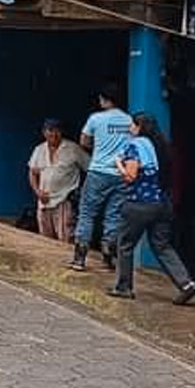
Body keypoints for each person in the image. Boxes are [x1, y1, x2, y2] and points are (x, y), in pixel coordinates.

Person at [107, 112, 195, 304]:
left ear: (139, 127)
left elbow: (130, 176)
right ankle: (186, 283)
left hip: (139, 203)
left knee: (124, 245)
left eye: (132, 125)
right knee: (162, 245)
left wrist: (118, 163)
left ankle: (123, 287)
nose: (129, 128)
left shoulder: (134, 146)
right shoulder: (158, 146)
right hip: (161, 203)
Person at [69, 82, 133, 272]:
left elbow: (84, 141)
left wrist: (100, 147)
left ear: (105, 100)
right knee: (113, 214)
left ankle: (80, 258)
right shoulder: (129, 120)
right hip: (120, 174)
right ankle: (108, 257)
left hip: (98, 172)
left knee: (87, 213)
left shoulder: (96, 118)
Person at [28, 119, 88, 243]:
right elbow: (32, 173)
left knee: (65, 239)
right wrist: (37, 192)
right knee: (45, 240)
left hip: (64, 201)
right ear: (44, 132)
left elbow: (91, 169)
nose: (54, 134)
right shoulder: (39, 149)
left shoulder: (73, 148)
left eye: (57, 131)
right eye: (50, 130)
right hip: (44, 202)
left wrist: (83, 190)